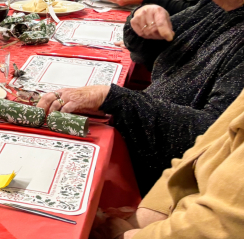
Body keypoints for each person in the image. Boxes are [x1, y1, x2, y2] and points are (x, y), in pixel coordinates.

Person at [37, 0, 244, 194]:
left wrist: (113, 98)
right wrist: (142, 20)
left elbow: (211, 139)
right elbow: (155, 49)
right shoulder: (220, 5)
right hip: (143, 151)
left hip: (159, 181)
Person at [95, 78, 244, 238]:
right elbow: (203, 147)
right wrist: (147, 214)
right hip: (181, 215)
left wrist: (122, 236)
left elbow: (217, 225)